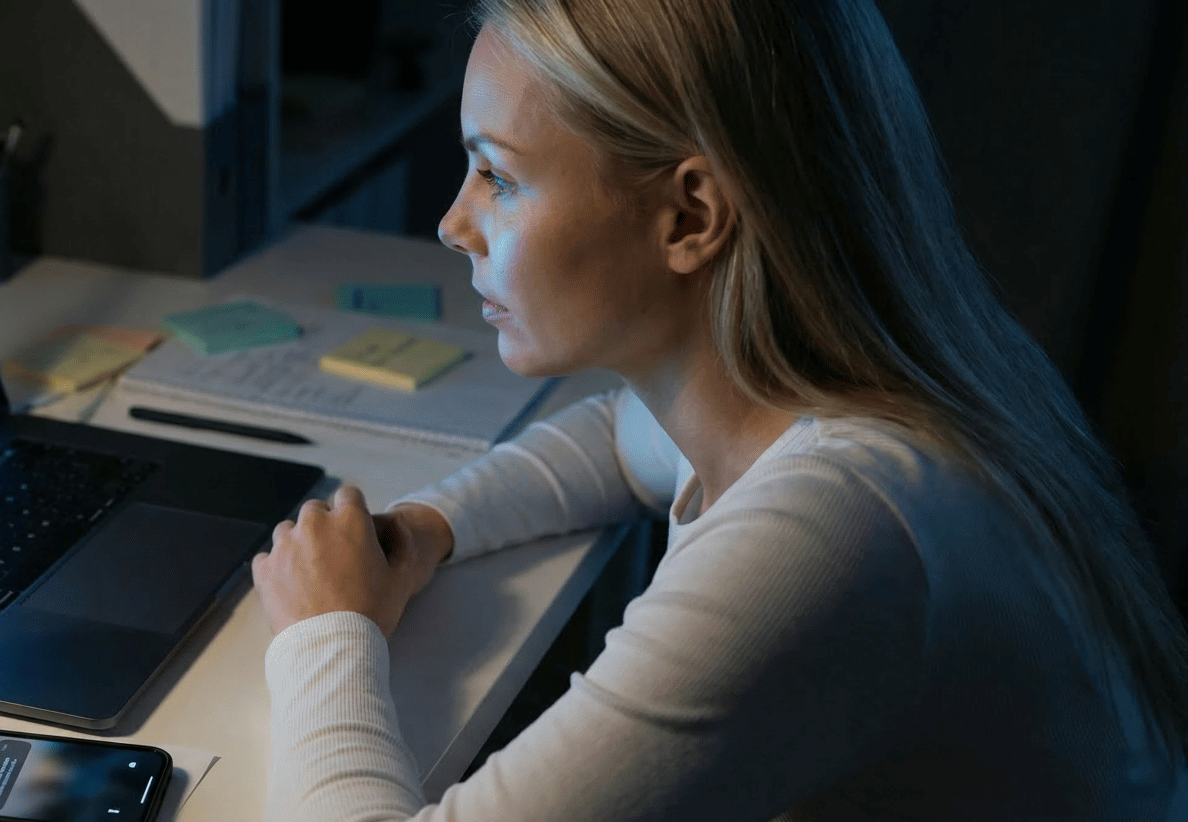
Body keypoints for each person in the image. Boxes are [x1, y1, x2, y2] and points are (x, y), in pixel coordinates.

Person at [250, 1, 1188, 819]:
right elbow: (617, 444)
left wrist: (325, 629)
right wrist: (425, 530)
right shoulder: (848, 380)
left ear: (692, 218)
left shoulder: (832, 527)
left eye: (497, 175)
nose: (454, 223)